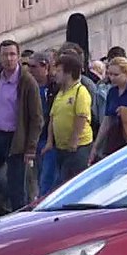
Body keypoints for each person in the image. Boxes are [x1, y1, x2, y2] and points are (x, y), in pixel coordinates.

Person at [0, 40, 44, 213]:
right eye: (5, 54)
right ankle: (1, 211)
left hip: (16, 139)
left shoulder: (27, 82)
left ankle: (19, 218)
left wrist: (30, 148)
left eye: (12, 54)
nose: (9, 59)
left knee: (16, 188)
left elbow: (36, 118)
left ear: (19, 57)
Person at [43, 54, 94, 194]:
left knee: (71, 181)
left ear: (69, 73)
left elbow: (81, 116)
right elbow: (53, 117)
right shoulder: (60, 93)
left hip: (78, 147)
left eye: (59, 71)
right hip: (61, 146)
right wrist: (49, 141)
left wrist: (75, 139)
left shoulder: (80, 91)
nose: (55, 74)